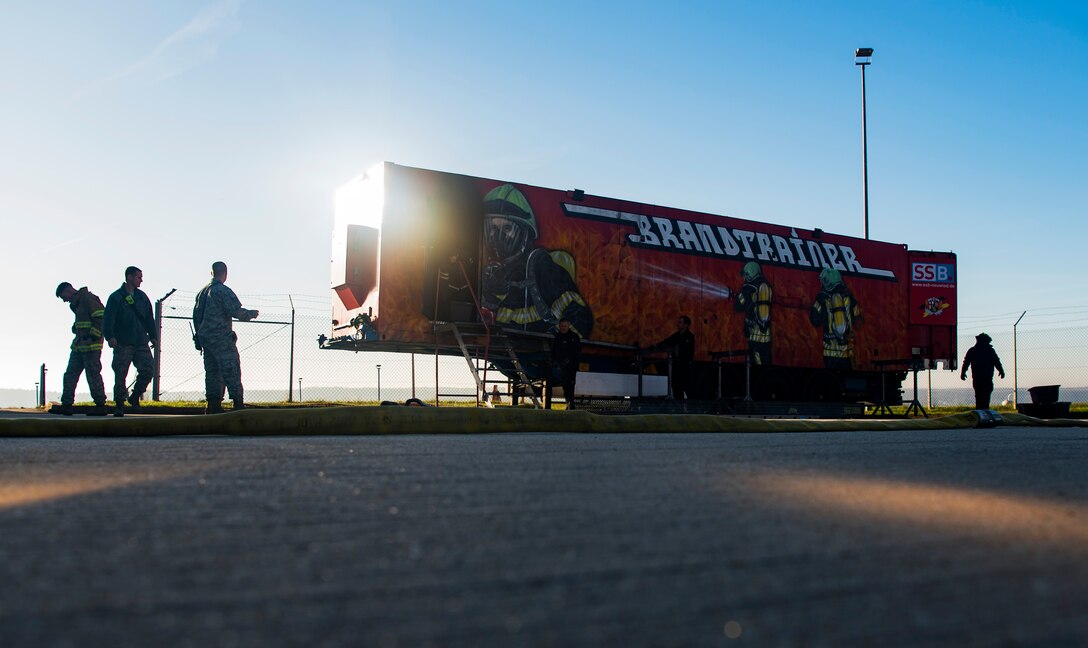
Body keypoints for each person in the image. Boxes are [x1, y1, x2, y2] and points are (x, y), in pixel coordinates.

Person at [478, 183, 593, 337]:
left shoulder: (539, 267)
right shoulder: (485, 270)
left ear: (525, 232)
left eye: (506, 228)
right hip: (507, 348)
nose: (497, 237)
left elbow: (580, 318)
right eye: (492, 228)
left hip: (536, 353)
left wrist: (556, 342)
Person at [193, 262, 259, 413]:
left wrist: (199, 336)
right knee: (231, 370)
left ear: (212, 273)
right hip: (221, 338)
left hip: (206, 339)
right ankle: (238, 404)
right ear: (225, 273)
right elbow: (235, 311)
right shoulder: (222, 291)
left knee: (212, 372)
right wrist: (251, 314)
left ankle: (213, 405)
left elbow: (196, 316)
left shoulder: (202, 293)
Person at [103, 266, 157, 416]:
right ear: (130, 277)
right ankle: (119, 404)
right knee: (120, 374)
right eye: (139, 277)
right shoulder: (116, 297)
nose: (141, 280)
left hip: (140, 341)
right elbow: (108, 319)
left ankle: (134, 397)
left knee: (148, 370)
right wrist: (110, 336)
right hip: (123, 342)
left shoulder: (142, 297)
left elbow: (148, 318)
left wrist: (153, 336)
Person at [54, 282, 108, 416]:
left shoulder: (88, 299)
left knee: (93, 375)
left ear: (68, 290)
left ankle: (100, 405)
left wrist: (93, 336)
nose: (64, 300)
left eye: (63, 297)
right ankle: (66, 405)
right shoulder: (77, 303)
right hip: (79, 345)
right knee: (70, 375)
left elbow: (101, 316)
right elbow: (85, 320)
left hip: (91, 346)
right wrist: (76, 327)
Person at [810, 267, 861, 369]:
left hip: (830, 354)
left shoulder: (822, 298)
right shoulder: (849, 297)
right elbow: (858, 318)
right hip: (847, 353)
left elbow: (814, 320)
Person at [734, 261, 773, 365]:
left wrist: (743, 293)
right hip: (762, 337)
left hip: (757, 337)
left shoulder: (751, 288)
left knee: (757, 367)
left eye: (746, 275)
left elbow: (737, 307)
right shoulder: (765, 286)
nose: (744, 278)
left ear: (751, 273)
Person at [650, 315, 696, 399]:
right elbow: (667, 341)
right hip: (676, 365)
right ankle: (678, 403)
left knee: (684, 385)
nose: (677, 324)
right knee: (675, 385)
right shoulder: (676, 335)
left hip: (685, 366)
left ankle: (685, 404)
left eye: (680, 322)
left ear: (686, 325)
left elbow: (687, 351)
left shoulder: (690, 337)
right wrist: (656, 345)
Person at [961, 332, 1005, 409]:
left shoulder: (972, 351)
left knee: (978, 396)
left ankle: (980, 412)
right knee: (986, 396)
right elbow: (996, 361)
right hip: (987, 377)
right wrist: (1001, 371)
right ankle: (984, 411)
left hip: (977, 378)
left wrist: (963, 372)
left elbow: (966, 362)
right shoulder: (990, 350)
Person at [550, 318, 582, 409]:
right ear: (559, 327)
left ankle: (571, 405)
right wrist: (553, 361)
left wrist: (569, 361)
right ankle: (568, 403)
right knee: (564, 386)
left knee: (570, 385)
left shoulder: (574, 337)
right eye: (561, 326)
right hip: (561, 367)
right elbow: (553, 351)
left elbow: (577, 352)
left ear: (568, 326)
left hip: (571, 367)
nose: (563, 328)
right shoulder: (557, 337)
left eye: (565, 326)